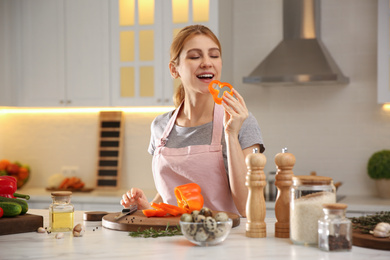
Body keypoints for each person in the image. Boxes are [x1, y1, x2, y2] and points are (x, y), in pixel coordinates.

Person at [121, 25, 265, 217]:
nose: (207, 63)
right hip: (171, 240)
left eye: (214, 55)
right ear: (174, 69)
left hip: (223, 241)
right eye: (195, 56)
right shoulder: (160, 127)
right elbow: (172, 194)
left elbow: (249, 208)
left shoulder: (242, 122)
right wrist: (147, 207)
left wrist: (230, 134)